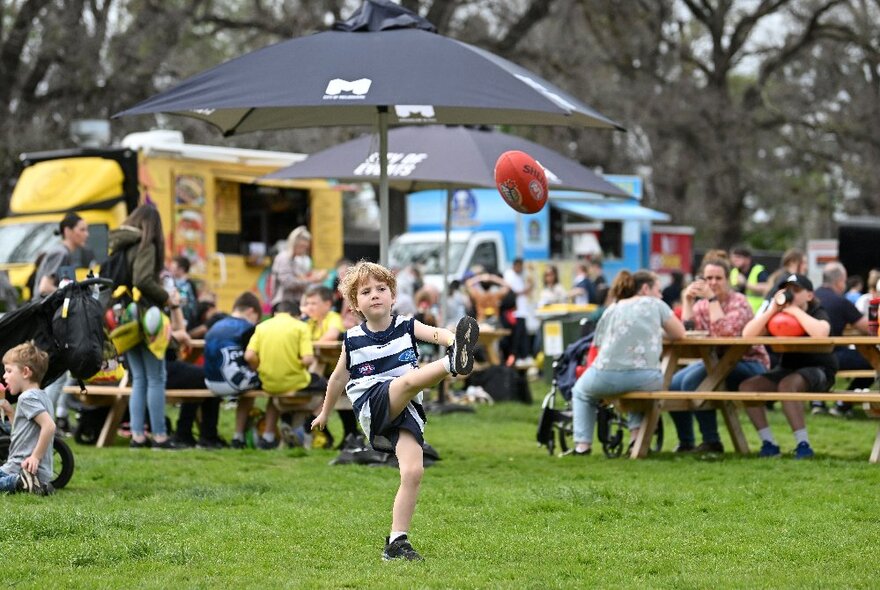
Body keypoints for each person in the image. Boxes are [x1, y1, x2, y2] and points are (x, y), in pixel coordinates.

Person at [310, 261, 480, 561]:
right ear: (355, 304)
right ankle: (452, 365)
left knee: (413, 471)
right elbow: (337, 378)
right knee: (407, 382)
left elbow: (438, 334)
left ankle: (396, 542)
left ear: (393, 296)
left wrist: (456, 341)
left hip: (407, 409)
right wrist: (325, 413)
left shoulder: (407, 325)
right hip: (371, 403)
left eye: (381, 289)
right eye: (366, 291)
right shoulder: (351, 341)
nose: (375, 294)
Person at [569, 270, 686, 456]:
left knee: (581, 392)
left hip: (606, 374)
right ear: (646, 288)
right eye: (658, 289)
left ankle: (582, 445)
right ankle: (635, 439)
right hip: (646, 377)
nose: (661, 294)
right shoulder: (656, 304)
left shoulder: (613, 308)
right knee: (639, 392)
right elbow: (679, 334)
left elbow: (598, 343)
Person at [669, 257, 769, 453]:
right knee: (672, 385)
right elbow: (687, 331)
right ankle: (686, 441)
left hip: (748, 362)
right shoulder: (702, 305)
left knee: (692, 383)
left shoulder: (739, 302)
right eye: (708, 278)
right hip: (716, 362)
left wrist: (712, 300)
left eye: (718, 278)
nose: (713, 283)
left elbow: (725, 334)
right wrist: (687, 301)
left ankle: (712, 441)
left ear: (728, 280)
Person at [738, 274, 834, 459]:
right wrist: (772, 309)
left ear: (809, 295)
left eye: (796, 290)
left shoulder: (817, 311)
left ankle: (803, 445)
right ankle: (769, 443)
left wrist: (794, 310)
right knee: (747, 387)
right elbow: (747, 335)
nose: (791, 294)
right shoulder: (778, 314)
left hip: (820, 369)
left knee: (787, 385)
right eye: (787, 290)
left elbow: (821, 334)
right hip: (788, 369)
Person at [108, 204, 177, 449]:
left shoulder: (119, 245)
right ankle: (159, 435)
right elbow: (142, 279)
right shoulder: (145, 244)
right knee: (156, 377)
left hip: (125, 317)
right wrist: (166, 298)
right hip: (146, 316)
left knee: (139, 378)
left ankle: (137, 435)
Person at [237, 300, 322, 449]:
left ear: (275, 314)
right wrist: (297, 363)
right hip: (295, 381)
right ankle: (308, 423)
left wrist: (260, 367)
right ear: (296, 315)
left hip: (268, 382)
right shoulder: (301, 327)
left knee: (276, 396)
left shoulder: (261, 327)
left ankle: (270, 435)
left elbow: (249, 356)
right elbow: (308, 360)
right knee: (330, 388)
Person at [812, 262, 872, 417]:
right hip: (831, 355)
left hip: (805, 354)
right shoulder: (840, 302)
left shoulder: (809, 298)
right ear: (840, 281)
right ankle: (843, 403)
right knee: (873, 361)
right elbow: (868, 328)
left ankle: (817, 402)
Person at [301, 284, 358, 445]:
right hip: (326, 372)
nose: (309, 307)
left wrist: (309, 344)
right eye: (307, 303)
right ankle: (346, 435)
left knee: (333, 390)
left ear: (327, 305)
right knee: (323, 389)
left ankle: (347, 434)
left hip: (343, 373)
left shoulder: (332, 317)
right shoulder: (309, 322)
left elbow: (331, 336)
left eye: (313, 303)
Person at [0, 342, 55, 495]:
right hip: (37, 473)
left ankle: (19, 482)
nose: (4, 376)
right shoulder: (43, 396)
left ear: (25, 372)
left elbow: (49, 426)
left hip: (20, 469)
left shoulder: (27, 398)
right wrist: (11, 413)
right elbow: (23, 434)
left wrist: (35, 457)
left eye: (9, 371)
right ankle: (33, 484)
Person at [31, 212, 94, 301]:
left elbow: (65, 285)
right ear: (67, 231)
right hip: (45, 312)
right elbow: (44, 288)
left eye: (87, 230)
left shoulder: (66, 253)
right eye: (82, 230)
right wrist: (72, 296)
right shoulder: (60, 253)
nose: (87, 234)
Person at [270, 226, 325, 307]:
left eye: (306, 247)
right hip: (284, 304)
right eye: (303, 247)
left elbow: (299, 278)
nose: (305, 250)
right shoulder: (284, 258)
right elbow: (288, 282)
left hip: (293, 303)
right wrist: (312, 280)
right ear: (295, 243)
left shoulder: (295, 260)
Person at [729, 246, 770, 312]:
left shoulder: (758, 270)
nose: (735, 260)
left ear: (748, 259)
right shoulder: (733, 272)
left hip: (756, 311)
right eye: (733, 257)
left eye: (738, 257)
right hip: (737, 311)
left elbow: (766, 287)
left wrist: (745, 284)